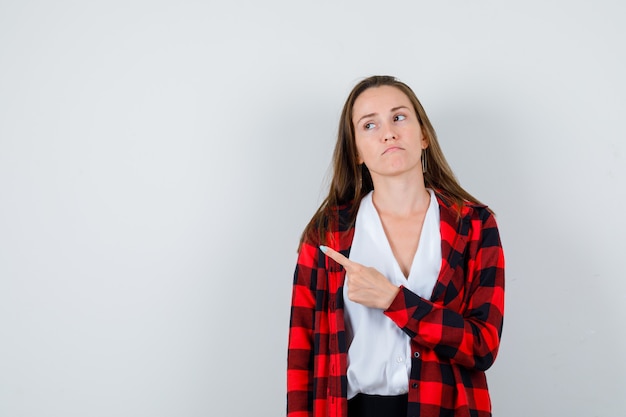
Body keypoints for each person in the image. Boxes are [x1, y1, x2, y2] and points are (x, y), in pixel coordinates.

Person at [286, 75, 505, 417]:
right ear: (356, 151)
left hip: (448, 409)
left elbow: (482, 346)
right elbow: (302, 358)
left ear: (423, 136)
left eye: (398, 117)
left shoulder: (474, 225)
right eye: (369, 125)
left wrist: (393, 300)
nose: (388, 132)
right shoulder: (327, 235)